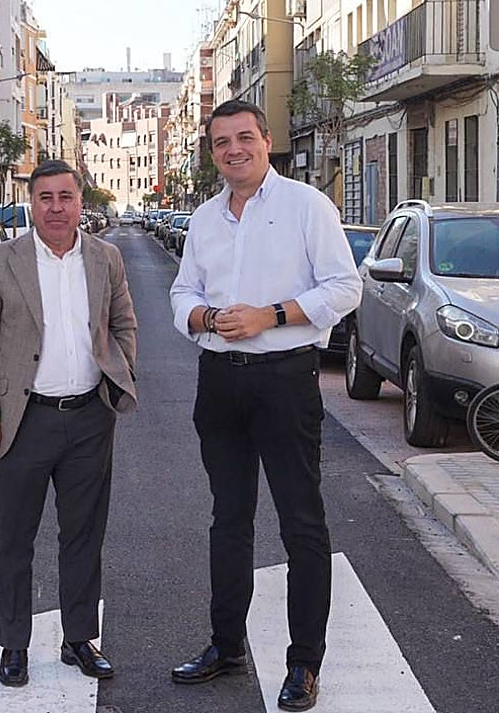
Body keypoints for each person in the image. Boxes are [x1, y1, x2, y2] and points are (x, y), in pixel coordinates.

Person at [168, 99, 361, 711]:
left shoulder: (307, 206)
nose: (234, 150)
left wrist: (269, 316)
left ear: (267, 140)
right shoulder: (203, 219)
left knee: (302, 524)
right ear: (213, 152)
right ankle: (226, 646)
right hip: (219, 382)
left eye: (244, 138)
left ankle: (304, 664)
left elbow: (344, 287)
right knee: (228, 520)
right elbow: (182, 291)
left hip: (284, 379)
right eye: (221, 142)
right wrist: (203, 317)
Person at [0, 158, 138, 688]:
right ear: (31, 204)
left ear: (80, 202)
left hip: (89, 417)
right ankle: (14, 644)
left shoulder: (105, 258)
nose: (57, 208)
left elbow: (123, 322)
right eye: (46, 198)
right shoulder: (0, 261)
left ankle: (79, 638)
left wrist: (118, 374)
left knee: (83, 534)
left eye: (66, 197)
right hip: (23, 419)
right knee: (14, 538)